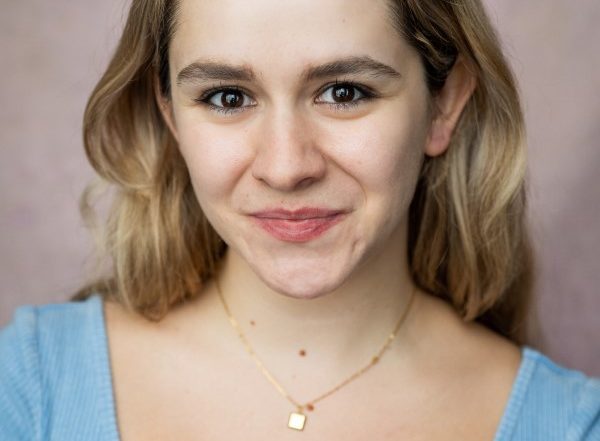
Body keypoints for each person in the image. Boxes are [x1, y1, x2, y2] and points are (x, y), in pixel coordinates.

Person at [1, 0, 598, 439]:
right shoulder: (31, 386)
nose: (286, 168)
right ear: (170, 115)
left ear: (444, 104)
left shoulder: (570, 426)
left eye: (344, 92)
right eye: (228, 97)